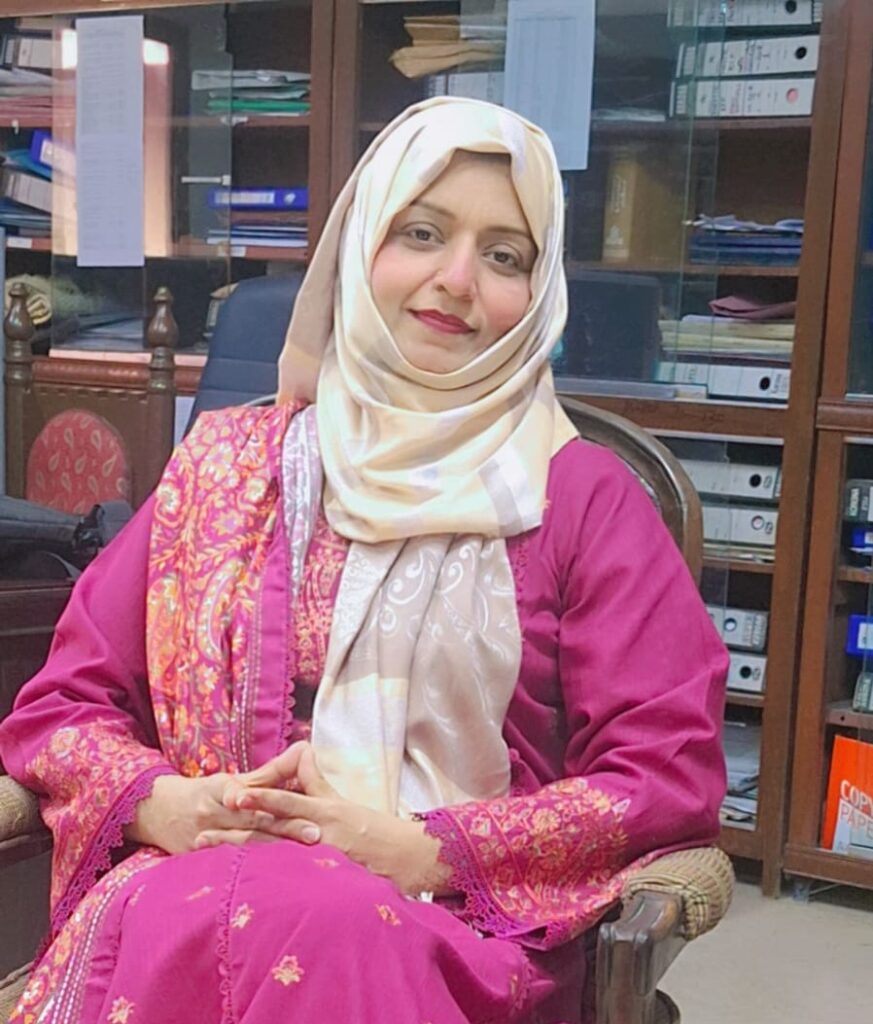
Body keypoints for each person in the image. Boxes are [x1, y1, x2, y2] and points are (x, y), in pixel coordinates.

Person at [0, 98, 727, 1024]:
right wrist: (161, 803)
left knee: (331, 923)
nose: (455, 279)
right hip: (194, 887)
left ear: (539, 296)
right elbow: (64, 707)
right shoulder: (228, 466)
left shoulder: (582, 499)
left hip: (456, 924)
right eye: (421, 233)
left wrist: (428, 849)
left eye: (504, 256)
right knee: (240, 913)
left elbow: (662, 773)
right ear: (359, 247)